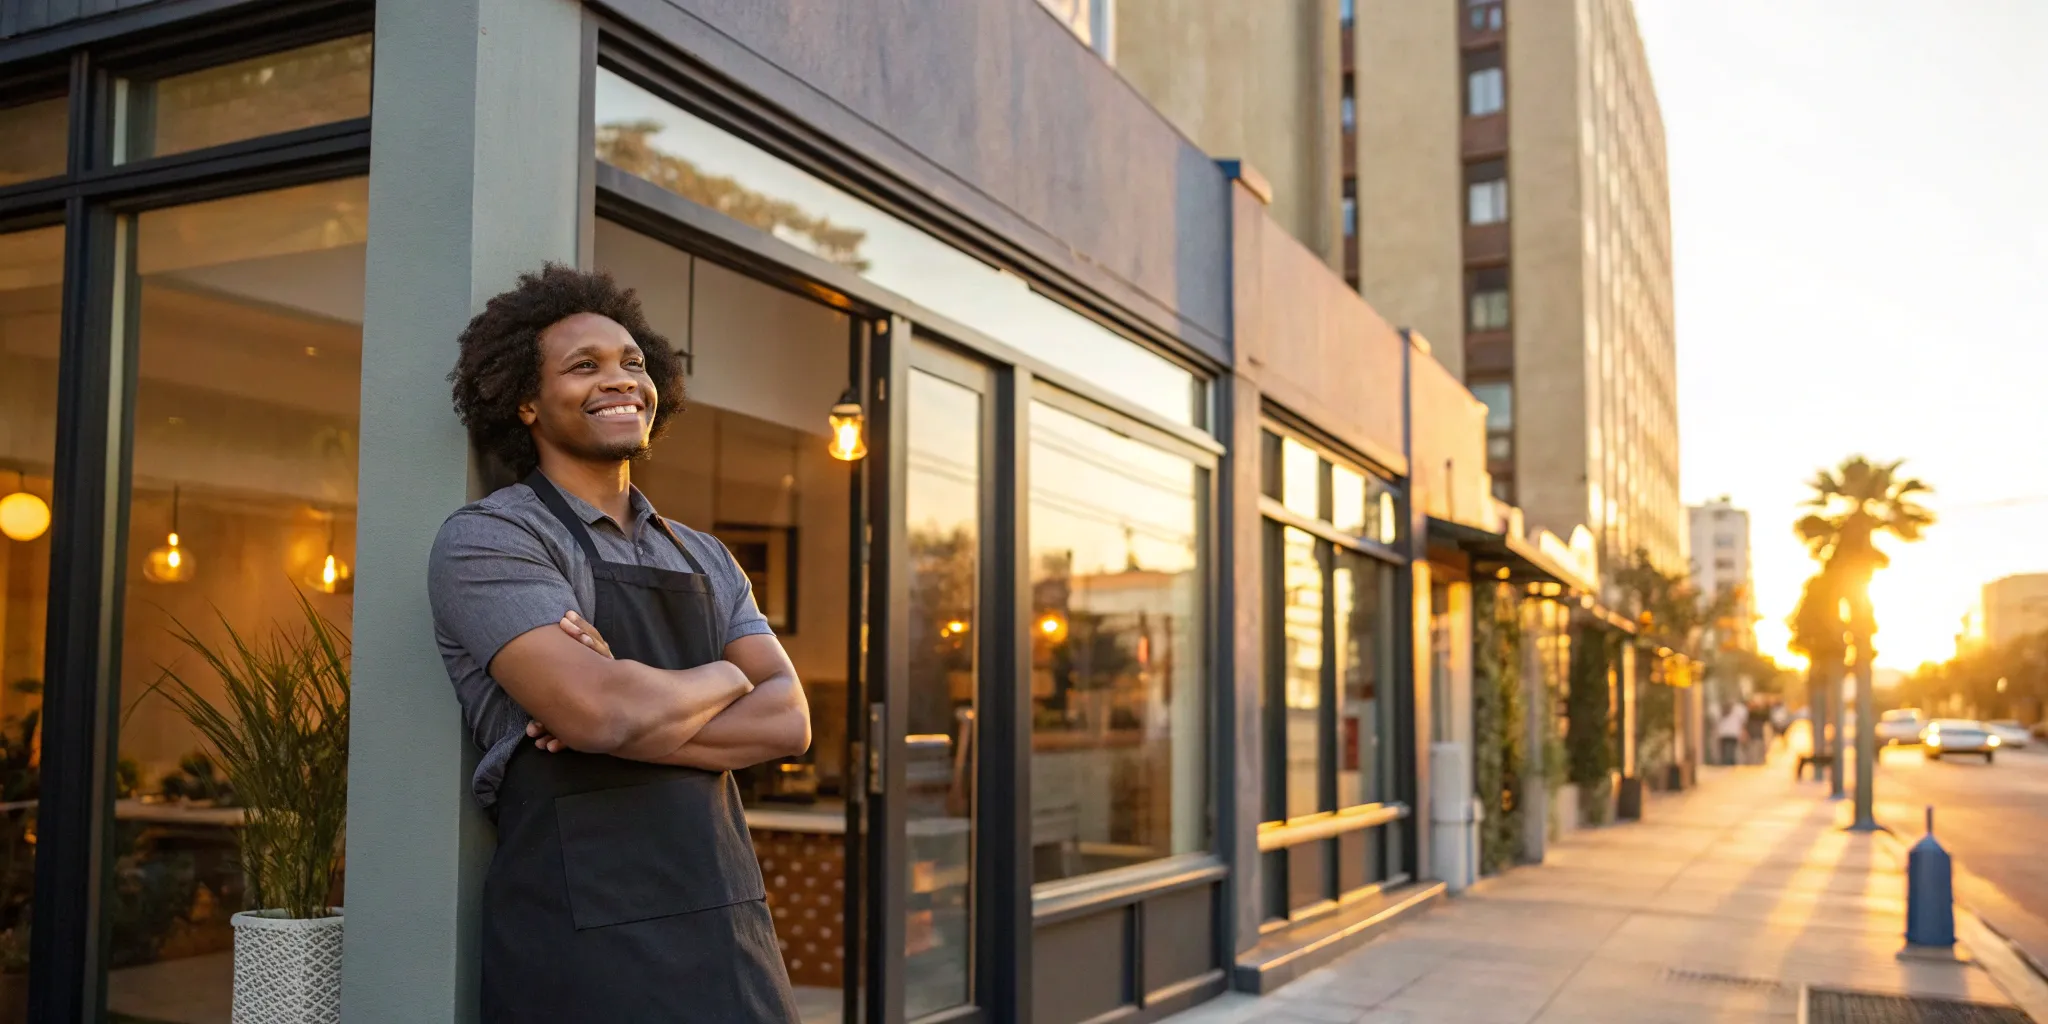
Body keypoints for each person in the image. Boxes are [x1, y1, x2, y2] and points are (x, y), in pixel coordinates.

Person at [429, 265, 810, 1022]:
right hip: (579, 943)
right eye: (585, 366)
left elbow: (789, 721)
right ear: (526, 402)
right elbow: (600, 713)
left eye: (633, 363)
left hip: (727, 925)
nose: (620, 381)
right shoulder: (492, 539)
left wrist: (631, 708)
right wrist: (730, 677)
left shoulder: (706, 555)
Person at [1716, 700, 1749, 766]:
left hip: (1723, 732)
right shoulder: (1739, 708)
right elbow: (1743, 721)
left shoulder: (1722, 708)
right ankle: (1729, 763)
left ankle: (1726, 762)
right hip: (1734, 732)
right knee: (1731, 749)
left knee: (1725, 749)